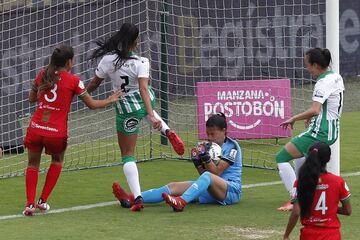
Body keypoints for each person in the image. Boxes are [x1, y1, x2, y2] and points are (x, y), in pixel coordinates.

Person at [87, 22, 185, 211]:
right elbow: (142, 89)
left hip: (126, 109)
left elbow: (94, 84)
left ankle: (138, 198)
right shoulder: (142, 61)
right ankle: (167, 130)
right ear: (135, 41)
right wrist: (151, 114)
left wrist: (81, 93)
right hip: (144, 101)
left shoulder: (108, 60)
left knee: (128, 155)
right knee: (146, 108)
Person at [23, 45, 122, 216]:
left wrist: (40, 92)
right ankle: (42, 201)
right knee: (57, 161)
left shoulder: (42, 74)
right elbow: (91, 105)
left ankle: (30, 204)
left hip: (36, 128)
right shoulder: (74, 81)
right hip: (56, 132)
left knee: (32, 165)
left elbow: (31, 99)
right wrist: (110, 99)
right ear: (69, 62)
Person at [112, 113, 242, 212]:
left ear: (224, 130)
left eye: (213, 134)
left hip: (230, 192)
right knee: (173, 186)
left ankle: (181, 202)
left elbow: (216, 174)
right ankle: (132, 198)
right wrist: (197, 161)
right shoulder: (210, 146)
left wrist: (205, 157)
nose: (209, 138)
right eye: (207, 134)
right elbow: (204, 174)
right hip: (212, 189)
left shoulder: (232, 147)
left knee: (207, 177)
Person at [276, 48, 345, 211]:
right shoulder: (335, 76)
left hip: (320, 130)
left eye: (308, 65)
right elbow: (329, 105)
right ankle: (305, 193)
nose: (307, 69)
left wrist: (294, 118)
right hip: (332, 130)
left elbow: (315, 109)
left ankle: (296, 199)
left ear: (315, 65)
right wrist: (313, 116)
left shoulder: (322, 82)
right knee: (301, 158)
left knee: (281, 157)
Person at [283, 142, 351, 240]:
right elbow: (347, 211)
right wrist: (330, 208)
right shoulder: (338, 181)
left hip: (309, 235)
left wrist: (286, 235)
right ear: (328, 159)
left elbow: (296, 212)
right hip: (332, 235)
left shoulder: (300, 182)